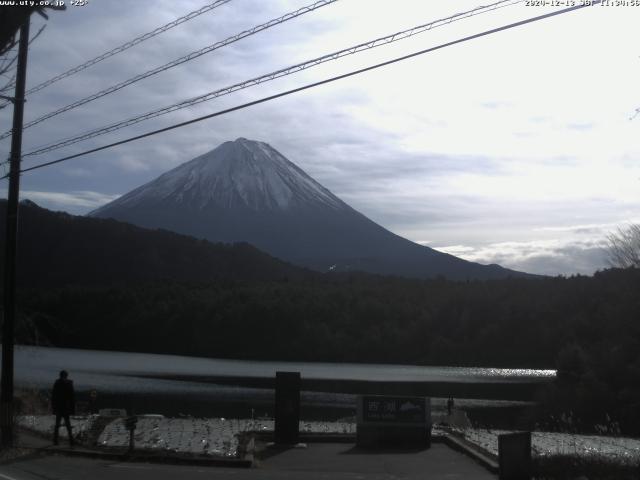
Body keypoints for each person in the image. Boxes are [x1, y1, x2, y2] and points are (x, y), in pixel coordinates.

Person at [52, 370, 75, 446]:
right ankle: (71, 441)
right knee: (67, 425)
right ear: (66, 376)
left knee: (58, 425)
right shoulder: (69, 383)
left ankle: (56, 441)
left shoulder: (57, 383)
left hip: (60, 407)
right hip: (65, 407)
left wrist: (54, 408)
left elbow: (54, 396)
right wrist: (72, 409)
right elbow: (72, 397)